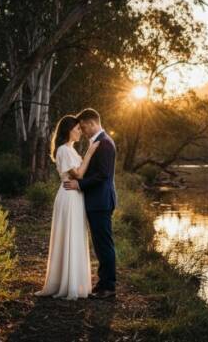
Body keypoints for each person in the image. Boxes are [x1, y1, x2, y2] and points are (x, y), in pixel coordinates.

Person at [35, 115, 100, 300]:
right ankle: (64, 283)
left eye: (81, 128)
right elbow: (78, 174)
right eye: (77, 129)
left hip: (76, 196)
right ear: (68, 130)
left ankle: (74, 281)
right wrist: (89, 153)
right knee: (68, 236)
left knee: (76, 236)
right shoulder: (63, 150)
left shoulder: (71, 150)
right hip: (68, 196)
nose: (81, 131)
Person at [63, 108, 118, 299]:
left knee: (104, 245)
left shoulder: (104, 143)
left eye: (84, 126)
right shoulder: (98, 142)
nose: (83, 130)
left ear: (92, 122)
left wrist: (79, 184)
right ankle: (103, 283)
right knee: (100, 244)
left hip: (101, 201)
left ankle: (108, 287)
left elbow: (102, 176)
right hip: (97, 201)